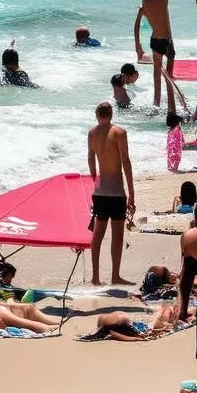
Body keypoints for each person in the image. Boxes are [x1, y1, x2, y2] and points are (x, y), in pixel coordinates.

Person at [88, 101, 134, 286]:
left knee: (97, 236)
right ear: (112, 114)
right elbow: (126, 162)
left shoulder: (92, 133)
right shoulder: (119, 132)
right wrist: (132, 193)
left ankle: (96, 277)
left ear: (97, 114)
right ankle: (115, 275)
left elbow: (91, 159)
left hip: (99, 192)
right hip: (116, 192)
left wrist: (95, 181)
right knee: (117, 236)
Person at [134, 0, 175, 106]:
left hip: (155, 40)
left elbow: (137, 24)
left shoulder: (144, 1)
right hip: (167, 40)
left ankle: (156, 103)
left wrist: (138, 47)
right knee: (169, 74)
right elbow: (166, 21)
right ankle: (171, 102)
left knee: (157, 74)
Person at [90, 305, 179, 342]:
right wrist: (135, 339)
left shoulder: (105, 320)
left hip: (115, 324)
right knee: (165, 310)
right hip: (122, 326)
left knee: (165, 310)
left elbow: (109, 332)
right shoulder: (133, 329)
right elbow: (110, 333)